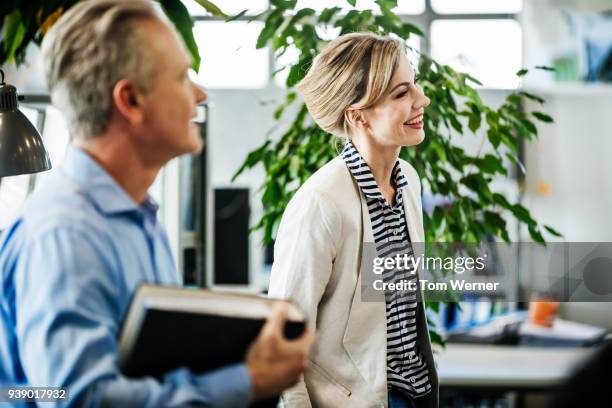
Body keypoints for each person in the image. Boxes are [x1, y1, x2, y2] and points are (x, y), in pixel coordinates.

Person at [0, 1, 314, 406]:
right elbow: (78, 398)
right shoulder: (66, 232)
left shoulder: (135, 217)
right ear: (130, 100)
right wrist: (247, 381)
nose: (200, 95)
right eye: (182, 77)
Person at [268, 33, 438, 407]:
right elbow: (281, 340)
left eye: (416, 86)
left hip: (416, 395)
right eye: (401, 93)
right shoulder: (320, 204)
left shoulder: (408, 180)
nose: (421, 100)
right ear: (356, 115)